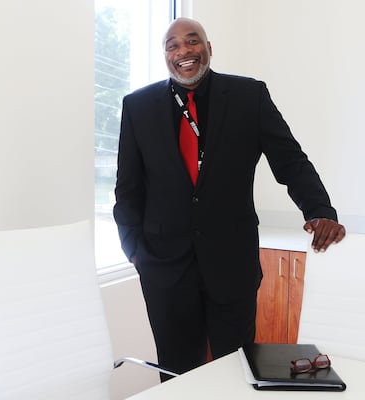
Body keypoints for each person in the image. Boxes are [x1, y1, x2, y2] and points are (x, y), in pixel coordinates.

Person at [113, 17, 346, 380]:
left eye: (192, 41)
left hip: (232, 266)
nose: (183, 51)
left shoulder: (248, 97)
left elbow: (290, 160)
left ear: (208, 48)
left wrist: (319, 210)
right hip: (164, 270)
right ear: (165, 55)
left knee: (236, 370)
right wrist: (133, 249)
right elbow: (128, 188)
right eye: (172, 45)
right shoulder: (137, 106)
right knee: (177, 373)